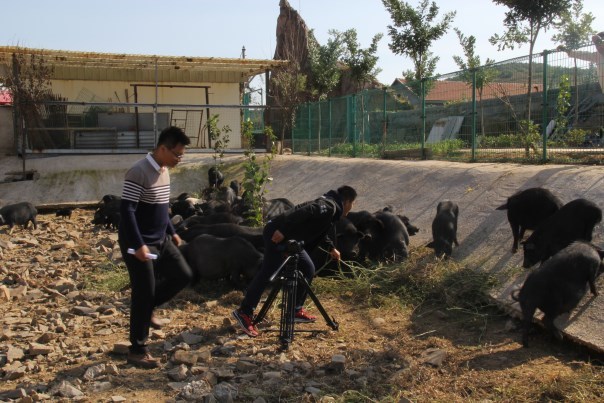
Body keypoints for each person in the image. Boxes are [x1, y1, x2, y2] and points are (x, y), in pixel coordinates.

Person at [232, 185, 358, 337]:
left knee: (308, 268)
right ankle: (245, 312)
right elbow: (304, 211)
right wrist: (283, 230)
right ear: (347, 201)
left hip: (291, 240)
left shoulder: (330, 208)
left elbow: (317, 229)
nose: (351, 209)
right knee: (268, 272)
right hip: (278, 234)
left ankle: (295, 310)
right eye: (352, 204)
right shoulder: (330, 206)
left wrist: (331, 248)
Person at [118, 126, 194, 368]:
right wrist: (138, 244)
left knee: (183, 274)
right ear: (163, 148)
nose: (179, 159)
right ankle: (137, 350)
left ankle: (147, 309)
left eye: (181, 155)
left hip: (161, 238)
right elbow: (127, 211)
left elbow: (163, 206)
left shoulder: (164, 170)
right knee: (144, 292)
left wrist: (172, 232)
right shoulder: (138, 171)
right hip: (139, 242)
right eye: (177, 154)